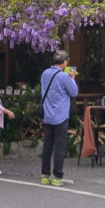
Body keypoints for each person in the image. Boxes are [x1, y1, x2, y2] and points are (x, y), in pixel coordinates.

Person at [40, 50, 79, 187]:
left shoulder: (45, 74)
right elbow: (74, 92)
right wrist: (72, 78)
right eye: (67, 61)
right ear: (64, 62)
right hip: (60, 115)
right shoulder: (63, 76)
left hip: (48, 114)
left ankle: (45, 175)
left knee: (47, 146)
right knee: (60, 147)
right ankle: (57, 176)